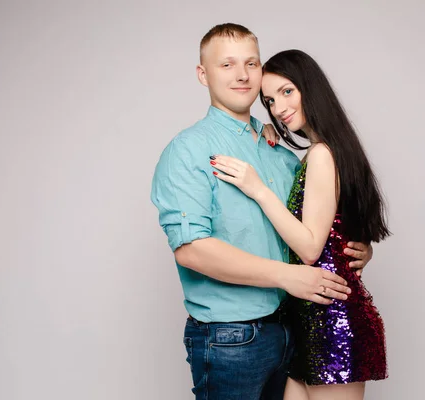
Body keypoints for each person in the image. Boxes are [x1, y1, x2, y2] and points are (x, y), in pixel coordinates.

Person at [150, 24, 374, 400]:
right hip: (232, 339)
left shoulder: (281, 153)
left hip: (295, 329)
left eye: (251, 63)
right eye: (227, 65)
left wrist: (357, 247)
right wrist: (288, 277)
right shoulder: (188, 150)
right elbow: (191, 249)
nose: (242, 75)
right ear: (203, 74)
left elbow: (314, 229)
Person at [210, 49, 391, 400]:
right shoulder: (325, 150)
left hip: (332, 320)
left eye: (287, 92)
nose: (278, 108)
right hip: (307, 319)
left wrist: (258, 189)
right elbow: (338, 229)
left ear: (310, 87)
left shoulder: (323, 154)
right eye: (270, 100)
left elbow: (310, 248)